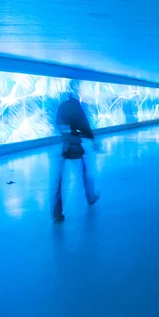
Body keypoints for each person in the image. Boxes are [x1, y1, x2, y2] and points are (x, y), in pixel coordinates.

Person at [52, 82, 101, 222]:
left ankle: (57, 211)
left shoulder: (62, 106)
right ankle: (90, 197)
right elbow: (83, 123)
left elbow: (58, 122)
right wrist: (91, 138)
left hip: (65, 144)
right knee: (85, 171)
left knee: (60, 178)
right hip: (74, 144)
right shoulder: (75, 106)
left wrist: (65, 135)